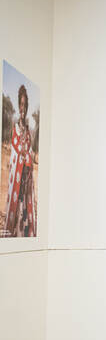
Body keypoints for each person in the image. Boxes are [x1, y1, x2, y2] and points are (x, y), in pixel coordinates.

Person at [3, 84, 36, 237]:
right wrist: (22, 154)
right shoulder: (16, 127)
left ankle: (23, 233)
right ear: (18, 105)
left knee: (24, 207)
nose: (23, 108)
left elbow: (28, 149)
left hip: (26, 175)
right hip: (18, 173)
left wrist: (28, 157)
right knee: (17, 205)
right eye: (21, 105)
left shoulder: (28, 130)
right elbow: (15, 147)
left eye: (25, 105)